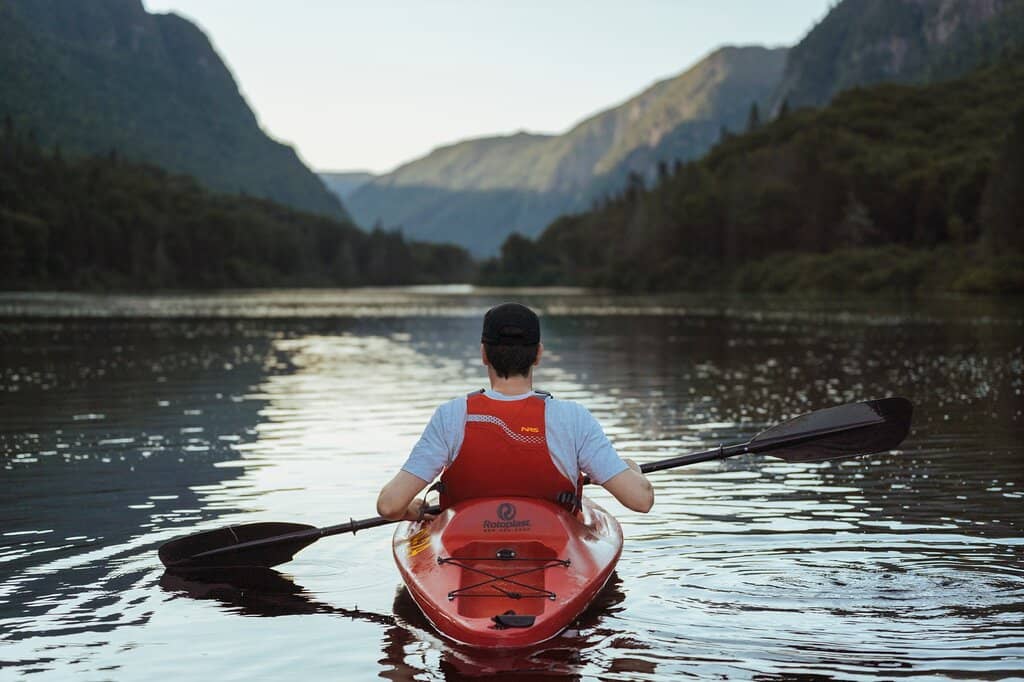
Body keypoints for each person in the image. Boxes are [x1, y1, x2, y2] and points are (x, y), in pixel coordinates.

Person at [376, 302, 654, 521]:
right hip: (553, 552)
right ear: (538, 355)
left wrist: (416, 511)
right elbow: (640, 501)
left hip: (463, 551)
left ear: (484, 354)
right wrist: (633, 470)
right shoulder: (572, 419)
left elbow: (389, 506)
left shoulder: (451, 416)